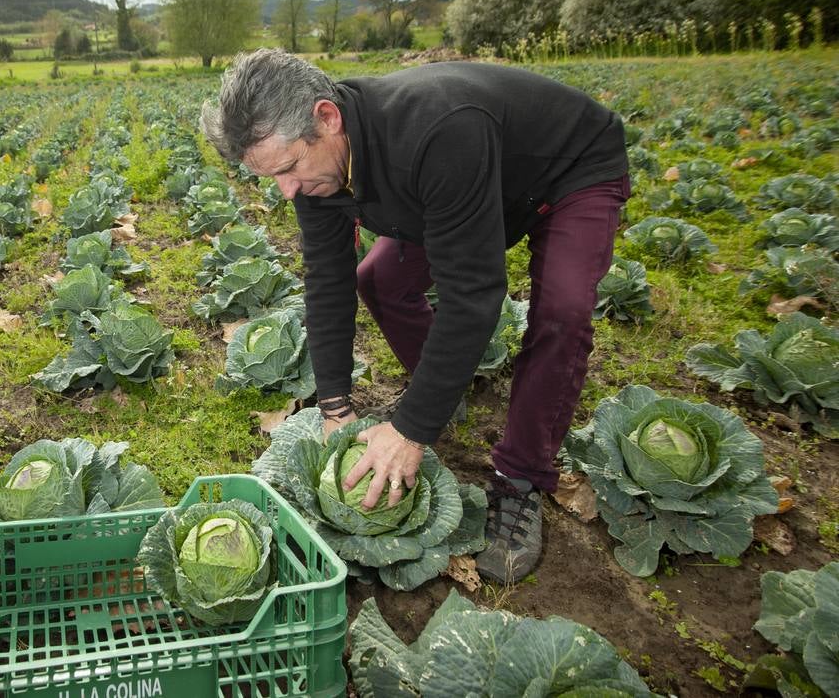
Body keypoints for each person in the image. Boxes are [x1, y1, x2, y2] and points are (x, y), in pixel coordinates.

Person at [200, 49, 629, 583]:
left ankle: (520, 476)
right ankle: (444, 392)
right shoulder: (319, 167)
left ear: (327, 118)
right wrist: (334, 403)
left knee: (562, 311)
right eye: (272, 178)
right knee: (378, 278)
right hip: (465, 187)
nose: (287, 190)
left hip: (567, 173)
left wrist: (409, 432)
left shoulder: (437, 133)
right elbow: (327, 278)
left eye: (288, 169)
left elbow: (474, 294)